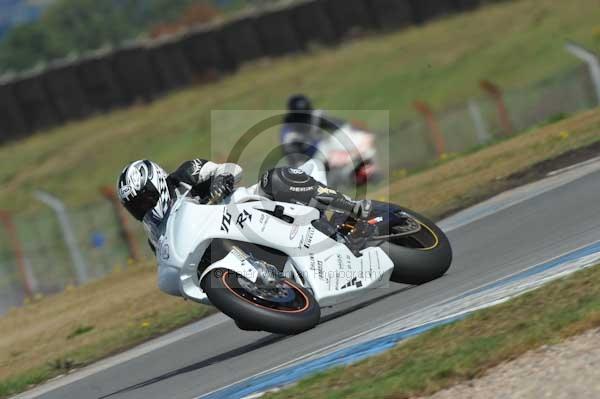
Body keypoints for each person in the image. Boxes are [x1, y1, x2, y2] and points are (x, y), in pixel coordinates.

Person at [117, 159, 372, 296]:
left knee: (274, 179)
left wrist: (221, 181)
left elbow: (229, 169)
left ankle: (351, 207)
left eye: (146, 199)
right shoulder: (156, 237)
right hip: (229, 253)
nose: (145, 208)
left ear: (158, 183)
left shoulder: (185, 175)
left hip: (249, 210)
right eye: (136, 207)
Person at [280, 94, 348, 167]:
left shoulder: (315, 115)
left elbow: (340, 125)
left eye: (306, 113)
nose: (304, 118)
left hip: (326, 148)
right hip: (310, 161)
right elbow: (295, 159)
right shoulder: (289, 133)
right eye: (301, 116)